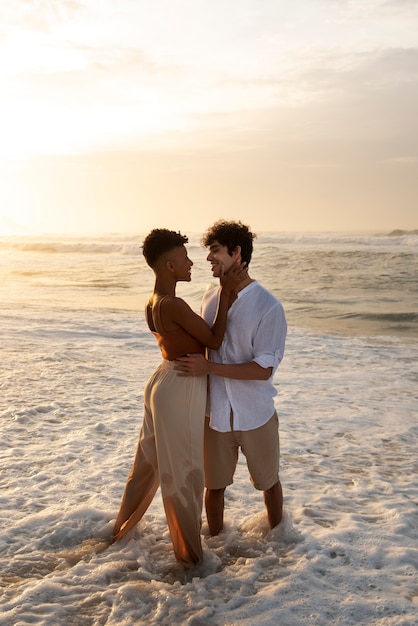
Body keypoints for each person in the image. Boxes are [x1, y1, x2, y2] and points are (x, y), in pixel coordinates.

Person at [112, 228, 246, 567]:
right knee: (184, 473)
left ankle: (119, 532)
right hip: (180, 387)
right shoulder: (174, 304)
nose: (191, 263)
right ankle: (190, 558)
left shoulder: (152, 301)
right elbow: (214, 340)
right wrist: (227, 294)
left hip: (162, 378)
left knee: (145, 467)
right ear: (170, 266)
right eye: (184, 258)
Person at [175, 220, 287, 536]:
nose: (209, 258)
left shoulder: (269, 306)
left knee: (269, 482)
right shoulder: (210, 298)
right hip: (215, 415)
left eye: (215, 251)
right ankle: (215, 545)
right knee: (214, 486)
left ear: (237, 253)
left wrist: (209, 368)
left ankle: (280, 544)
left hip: (255, 414)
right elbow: (206, 343)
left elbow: (263, 370)